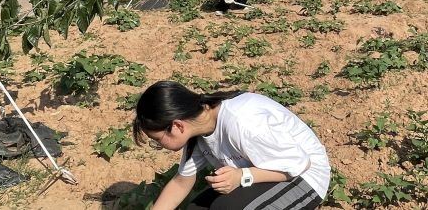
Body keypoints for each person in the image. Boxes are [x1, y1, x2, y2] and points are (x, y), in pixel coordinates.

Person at [133, 81, 329, 210]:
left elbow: (300, 164)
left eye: (157, 139)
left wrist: (243, 176)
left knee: (225, 208)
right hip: (266, 174)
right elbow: (180, 182)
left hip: (305, 178)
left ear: (177, 126)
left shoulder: (241, 121)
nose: (158, 144)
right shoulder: (199, 130)